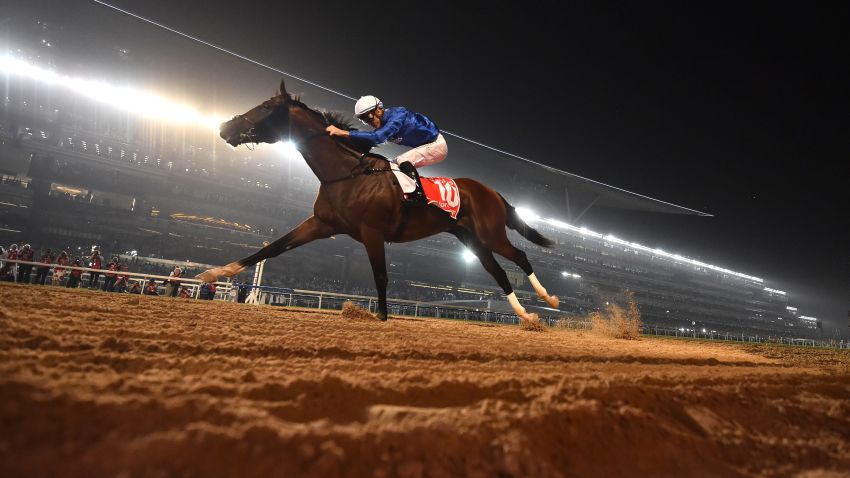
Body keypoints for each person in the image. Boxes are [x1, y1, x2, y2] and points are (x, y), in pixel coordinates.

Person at [325, 96, 447, 203]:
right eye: (364, 120)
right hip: (427, 145)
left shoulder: (398, 115)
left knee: (402, 161)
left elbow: (377, 137)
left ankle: (418, 195)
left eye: (368, 117)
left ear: (378, 110)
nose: (368, 122)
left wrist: (343, 132)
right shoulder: (383, 123)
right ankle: (405, 194)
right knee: (391, 166)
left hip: (437, 145)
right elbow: (369, 139)